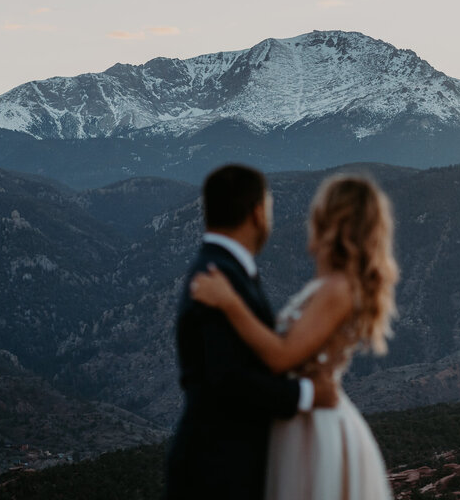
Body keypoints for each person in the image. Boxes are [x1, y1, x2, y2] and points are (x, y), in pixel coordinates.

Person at [190, 173, 399, 500]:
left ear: (331, 220)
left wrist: (230, 303)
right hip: (303, 420)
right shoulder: (335, 284)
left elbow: (281, 356)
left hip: (315, 428)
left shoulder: (337, 289)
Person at [166, 164, 339, 500]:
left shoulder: (222, 269)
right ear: (258, 213)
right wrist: (307, 395)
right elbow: (229, 379)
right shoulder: (219, 278)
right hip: (216, 473)